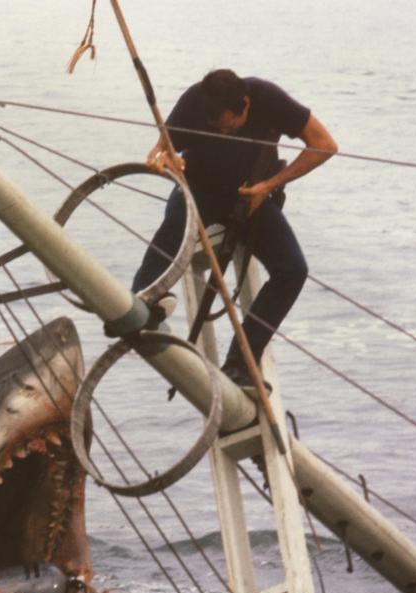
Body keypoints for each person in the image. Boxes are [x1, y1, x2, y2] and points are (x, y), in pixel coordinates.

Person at [133, 69, 337, 388]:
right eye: (217, 128)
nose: (224, 133)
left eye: (230, 125)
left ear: (245, 105)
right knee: (174, 223)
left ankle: (241, 363)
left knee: (293, 270)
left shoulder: (269, 98)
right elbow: (162, 149)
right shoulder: (194, 101)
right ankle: (142, 300)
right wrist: (164, 161)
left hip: (250, 198)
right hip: (200, 189)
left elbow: (324, 145)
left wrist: (269, 186)